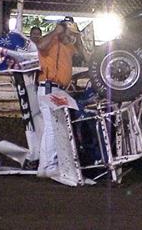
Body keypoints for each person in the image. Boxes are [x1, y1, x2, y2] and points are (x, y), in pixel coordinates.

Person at [35, 16, 89, 177]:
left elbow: (85, 55)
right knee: (52, 128)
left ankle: (44, 167)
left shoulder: (68, 46)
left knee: (53, 128)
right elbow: (40, 45)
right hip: (48, 87)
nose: (69, 34)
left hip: (57, 89)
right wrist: (55, 32)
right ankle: (49, 166)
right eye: (67, 29)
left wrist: (79, 35)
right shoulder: (51, 41)